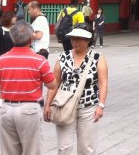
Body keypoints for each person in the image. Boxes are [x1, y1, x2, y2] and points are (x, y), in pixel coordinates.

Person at [0, 20, 58, 155]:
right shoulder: (39, 60)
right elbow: (52, 84)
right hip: (29, 109)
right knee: (32, 151)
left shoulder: (0, 60)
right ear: (30, 38)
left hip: (6, 109)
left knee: (8, 151)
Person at [44, 26, 109, 155]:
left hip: (88, 107)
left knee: (87, 148)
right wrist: (48, 104)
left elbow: (103, 83)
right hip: (64, 106)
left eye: (79, 39)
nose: (75, 42)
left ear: (87, 40)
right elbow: (55, 82)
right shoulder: (63, 57)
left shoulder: (98, 57)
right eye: (73, 38)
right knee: (64, 147)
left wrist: (101, 105)